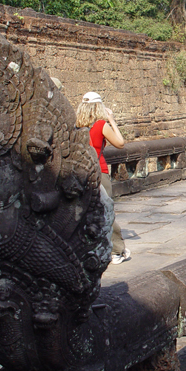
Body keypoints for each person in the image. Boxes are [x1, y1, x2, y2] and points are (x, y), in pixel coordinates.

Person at [76, 92, 131, 265]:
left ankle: (88, 248)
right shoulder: (101, 125)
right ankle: (116, 250)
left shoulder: (76, 125)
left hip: (81, 172)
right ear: (99, 107)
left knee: (85, 212)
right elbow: (120, 143)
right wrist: (111, 120)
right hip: (99, 170)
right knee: (106, 210)